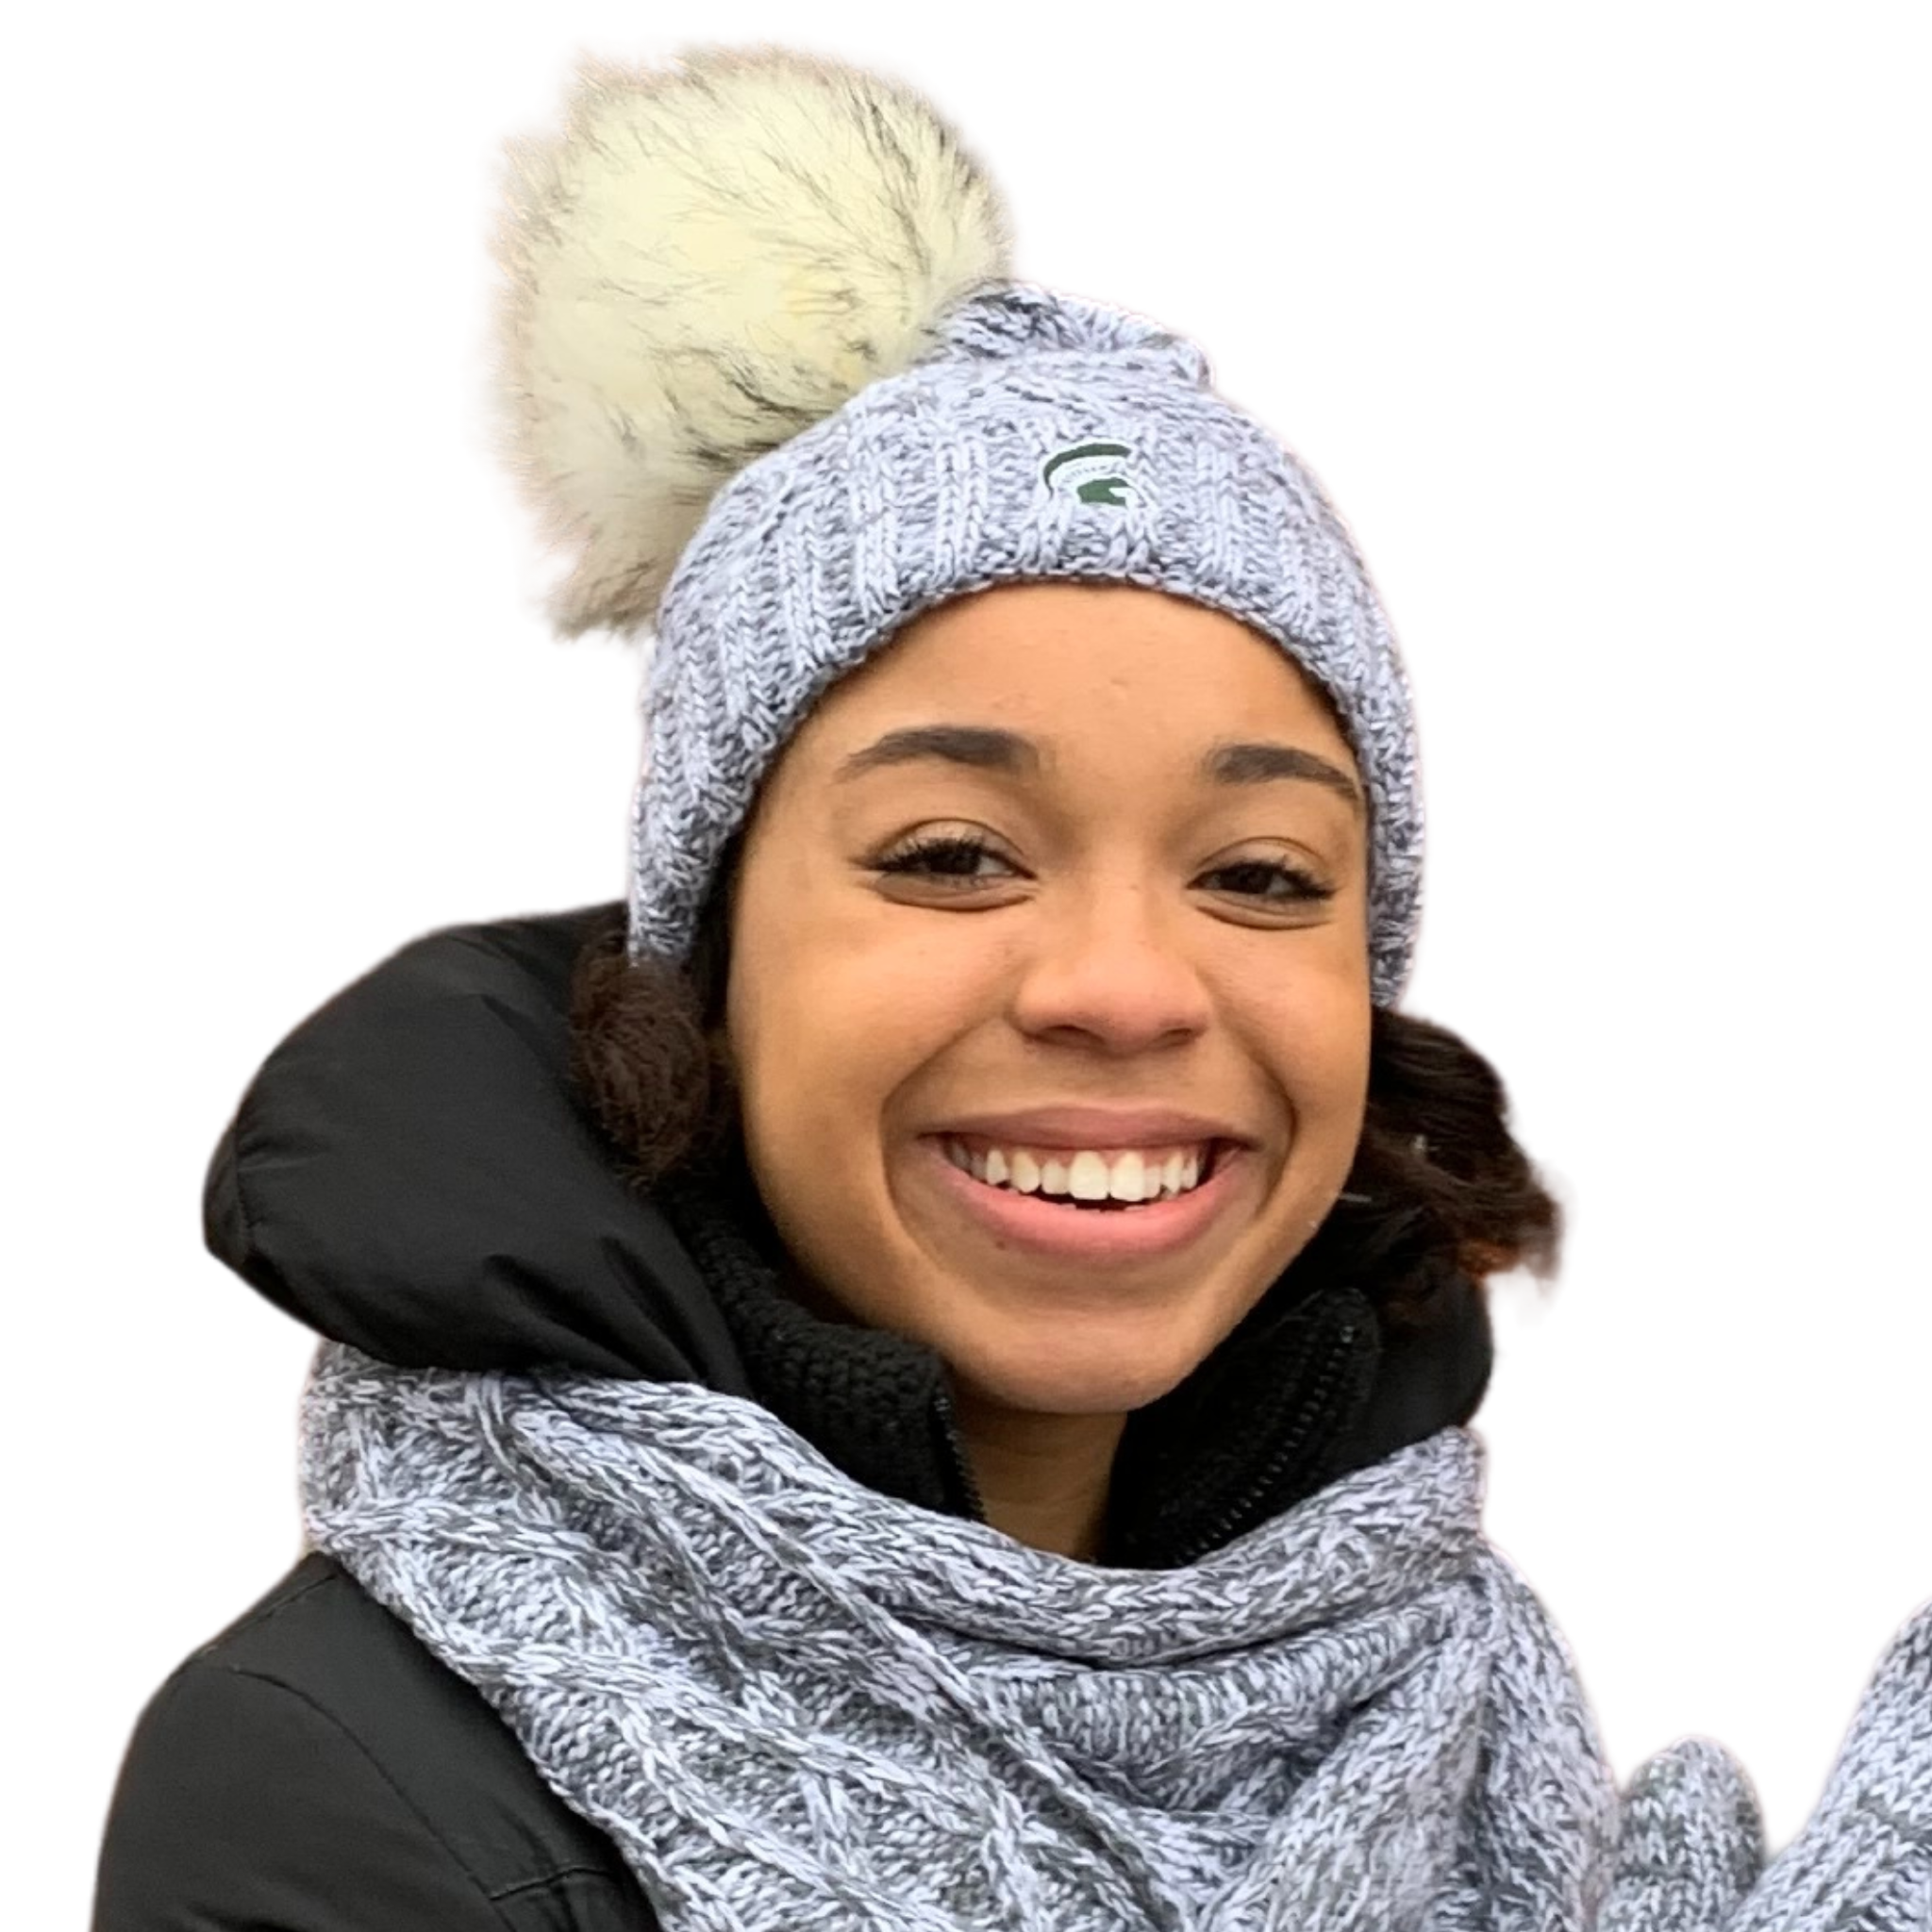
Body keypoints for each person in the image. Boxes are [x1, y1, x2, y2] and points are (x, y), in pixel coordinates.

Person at [89, 31, 1927, 1932]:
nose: (1126, 987)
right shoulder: (344, 1785)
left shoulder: (1453, 1682)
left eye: (1260, 875)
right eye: (953, 854)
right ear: (705, 969)